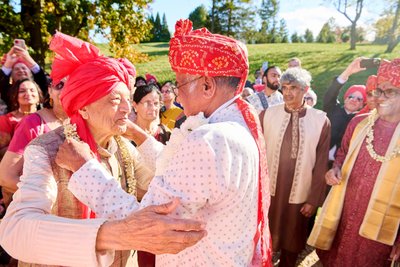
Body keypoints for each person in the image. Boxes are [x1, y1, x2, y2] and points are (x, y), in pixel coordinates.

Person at [56, 19, 272, 266]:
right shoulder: (236, 127)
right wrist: (139, 136)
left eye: (180, 83)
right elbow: (182, 173)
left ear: (207, 85)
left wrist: (84, 168)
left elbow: (147, 225)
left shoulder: (209, 140)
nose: (177, 94)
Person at [0, 32, 206, 267]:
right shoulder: (47, 149)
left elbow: (174, 180)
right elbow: (15, 228)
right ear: (83, 108)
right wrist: (117, 234)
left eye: (128, 100)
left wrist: (138, 134)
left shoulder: (124, 148)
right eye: (115, 100)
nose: (127, 109)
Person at [308, 58, 400, 266]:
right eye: (379, 90)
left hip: (379, 232)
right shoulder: (360, 122)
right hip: (344, 214)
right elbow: (342, 154)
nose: (380, 97)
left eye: (391, 91)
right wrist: (335, 169)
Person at [260, 67, 330, 267]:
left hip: (300, 193)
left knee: (292, 241)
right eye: (284, 87)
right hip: (270, 191)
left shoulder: (320, 120)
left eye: (294, 88)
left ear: (306, 89)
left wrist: (313, 200)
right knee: (266, 237)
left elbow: (321, 163)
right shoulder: (266, 115)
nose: (288, 92)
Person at [0, 79, 67, 207]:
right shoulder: (32, 123)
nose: (66, 90)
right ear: (50, 90)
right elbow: (6, 176)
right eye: (60, 85)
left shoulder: (87, 119)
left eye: (32, 90)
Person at [323, 57, 367, 164]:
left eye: (359, 99)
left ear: (362, 105)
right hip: (319, 160)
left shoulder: (362, 120)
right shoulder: (332, 109)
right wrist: (347, 72)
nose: (354, 100)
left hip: (342, 165)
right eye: (351, 96)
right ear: (345, 99)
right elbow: (331, 93)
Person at [0, 78, 42, 158]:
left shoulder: (47, 117)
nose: (28, 93)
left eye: (32, 90)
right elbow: (2, 151)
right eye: (22, 91)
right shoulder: (6, 120)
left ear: (39, 95)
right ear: (15, 96)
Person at [1, 45, 48, 111]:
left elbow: (42, 80)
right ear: (11, 75)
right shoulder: (7, 91)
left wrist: (28, 59)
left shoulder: (39, 87)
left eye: (23, 68)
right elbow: (2, 83)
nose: (21, 70)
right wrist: (8, 63)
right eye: (16, 69)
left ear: (30, 72)